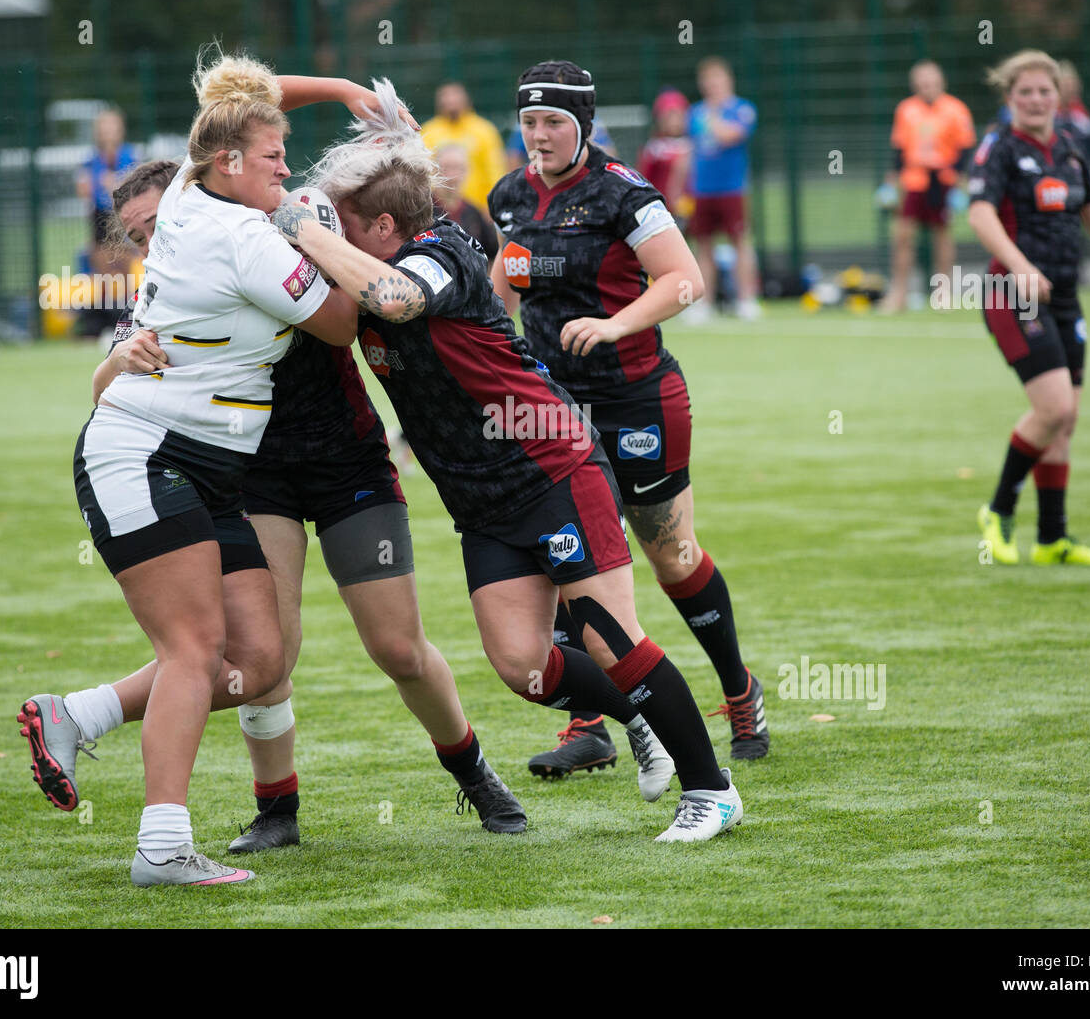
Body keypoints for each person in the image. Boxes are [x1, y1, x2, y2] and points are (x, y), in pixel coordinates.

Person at [280, 79, 744, 842]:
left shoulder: (444, 256)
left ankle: (711, 788)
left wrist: (305, 229)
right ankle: (642, 718)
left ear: (386, 227)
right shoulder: (377, 252)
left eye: (344, 226)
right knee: (522, 664)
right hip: (481, 500)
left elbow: (396, 298)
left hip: (553, 466)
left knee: (610, 636)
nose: (331, 236)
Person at [55, 156, 526, 850]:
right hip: (257, 473)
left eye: (158, 224)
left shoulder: (274, 232)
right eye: (139, 236)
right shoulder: (172, 284)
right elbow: (107, 387)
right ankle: (276, 806)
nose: (153, 244)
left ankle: (474, 770)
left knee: (398, 645)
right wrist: (116, 361)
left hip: (348, 460)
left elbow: (351, 307)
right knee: (268, 651)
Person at [18, 50, 367, 886]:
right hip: (144, 456)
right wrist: (317, 228)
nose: (288, 164)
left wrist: (343, 91)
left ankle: (79, 712)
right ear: (228, 164)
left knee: (261, 657)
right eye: (275, 154)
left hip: (202, 470)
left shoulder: (185, 183)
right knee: (194, 648)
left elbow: (245, 100)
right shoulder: (243, 236)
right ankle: (162, 847)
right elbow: (347, 323)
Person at [489, 60, 769, 781]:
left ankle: (739, 691)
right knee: (566, 551)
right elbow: (501, 299)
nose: (540, 135)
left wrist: (614, 325)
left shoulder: (624, 193)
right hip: (552, 408)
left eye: (554, 122)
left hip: (636, 397)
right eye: (529, 122)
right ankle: (594, 721)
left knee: (670, 556)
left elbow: (684, 279)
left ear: (583, 125)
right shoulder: (511, 195)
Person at [967, 50, 1090, 567]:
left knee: (1065, 424)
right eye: (1025, 91)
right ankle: (998, 511)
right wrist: (1020, 266)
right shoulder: (998, 148)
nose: (1036, 99)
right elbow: (980, 213)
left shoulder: (1069, 147)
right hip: (1012, 293)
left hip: (1065, 297)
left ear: (1058, 94)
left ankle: (1052, 538)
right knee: (1055, 408)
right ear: (1010, 98)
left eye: (1044, 90)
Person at [879, 60, 976, 314]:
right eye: (922, 83)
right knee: (903, 236)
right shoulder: (906, 109)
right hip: (913, 179)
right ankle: (899, 293)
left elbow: (965, 148)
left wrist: (959, 183)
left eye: (931, 82)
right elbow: (899, 149)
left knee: (942, 235)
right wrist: (890, 182)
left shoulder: (956, 109)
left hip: (943, 180)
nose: (927, 87)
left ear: (941, 82)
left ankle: (943, 292)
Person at [687, 56, 760, 321]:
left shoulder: (742, 109)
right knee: (703, 246)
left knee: (740, 242)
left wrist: (714, 115)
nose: (712, 85)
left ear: (728, 81)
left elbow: (730, 136)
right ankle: (703, 304)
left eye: (717, 79)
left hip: (732, 188)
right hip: (702, 189)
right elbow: (692, 150)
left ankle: (746, 300)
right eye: (707, 80)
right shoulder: (694, 112)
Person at [76, 109, 139, 336]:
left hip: (124, 219)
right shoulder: (91, 160)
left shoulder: (130, 157)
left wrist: (115, 185)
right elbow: (84, 190)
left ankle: (126, 322)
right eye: (104, 127)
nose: (109, 131)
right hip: (100, 222)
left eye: (113, 126)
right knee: (103, 274)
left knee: (124, 274)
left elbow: (134, 187)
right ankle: (105, 323)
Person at [418, 82, 507, 215]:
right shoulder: (428, 132)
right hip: (437, 212)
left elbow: (495, 171)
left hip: (478, 211)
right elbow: (422, 173)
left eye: (455, 98)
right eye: (446, 99)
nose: (451, 103)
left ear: (466, 101)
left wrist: (491, 206)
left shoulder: (484, 130)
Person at [432, 143, 498, 263]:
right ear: (434, 170)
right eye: (446, 168)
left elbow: (492, 254)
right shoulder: (422, 210)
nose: (452, 176)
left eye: (458, 168)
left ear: (467, 172)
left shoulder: (474, 213)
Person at [638, 88, 693, 228]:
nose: (675, 122)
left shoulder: (690, 145)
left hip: (689, 205)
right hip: (660, 209)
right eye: (669, 116)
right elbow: (643, 178)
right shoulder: (654, 148)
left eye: (679, 116)